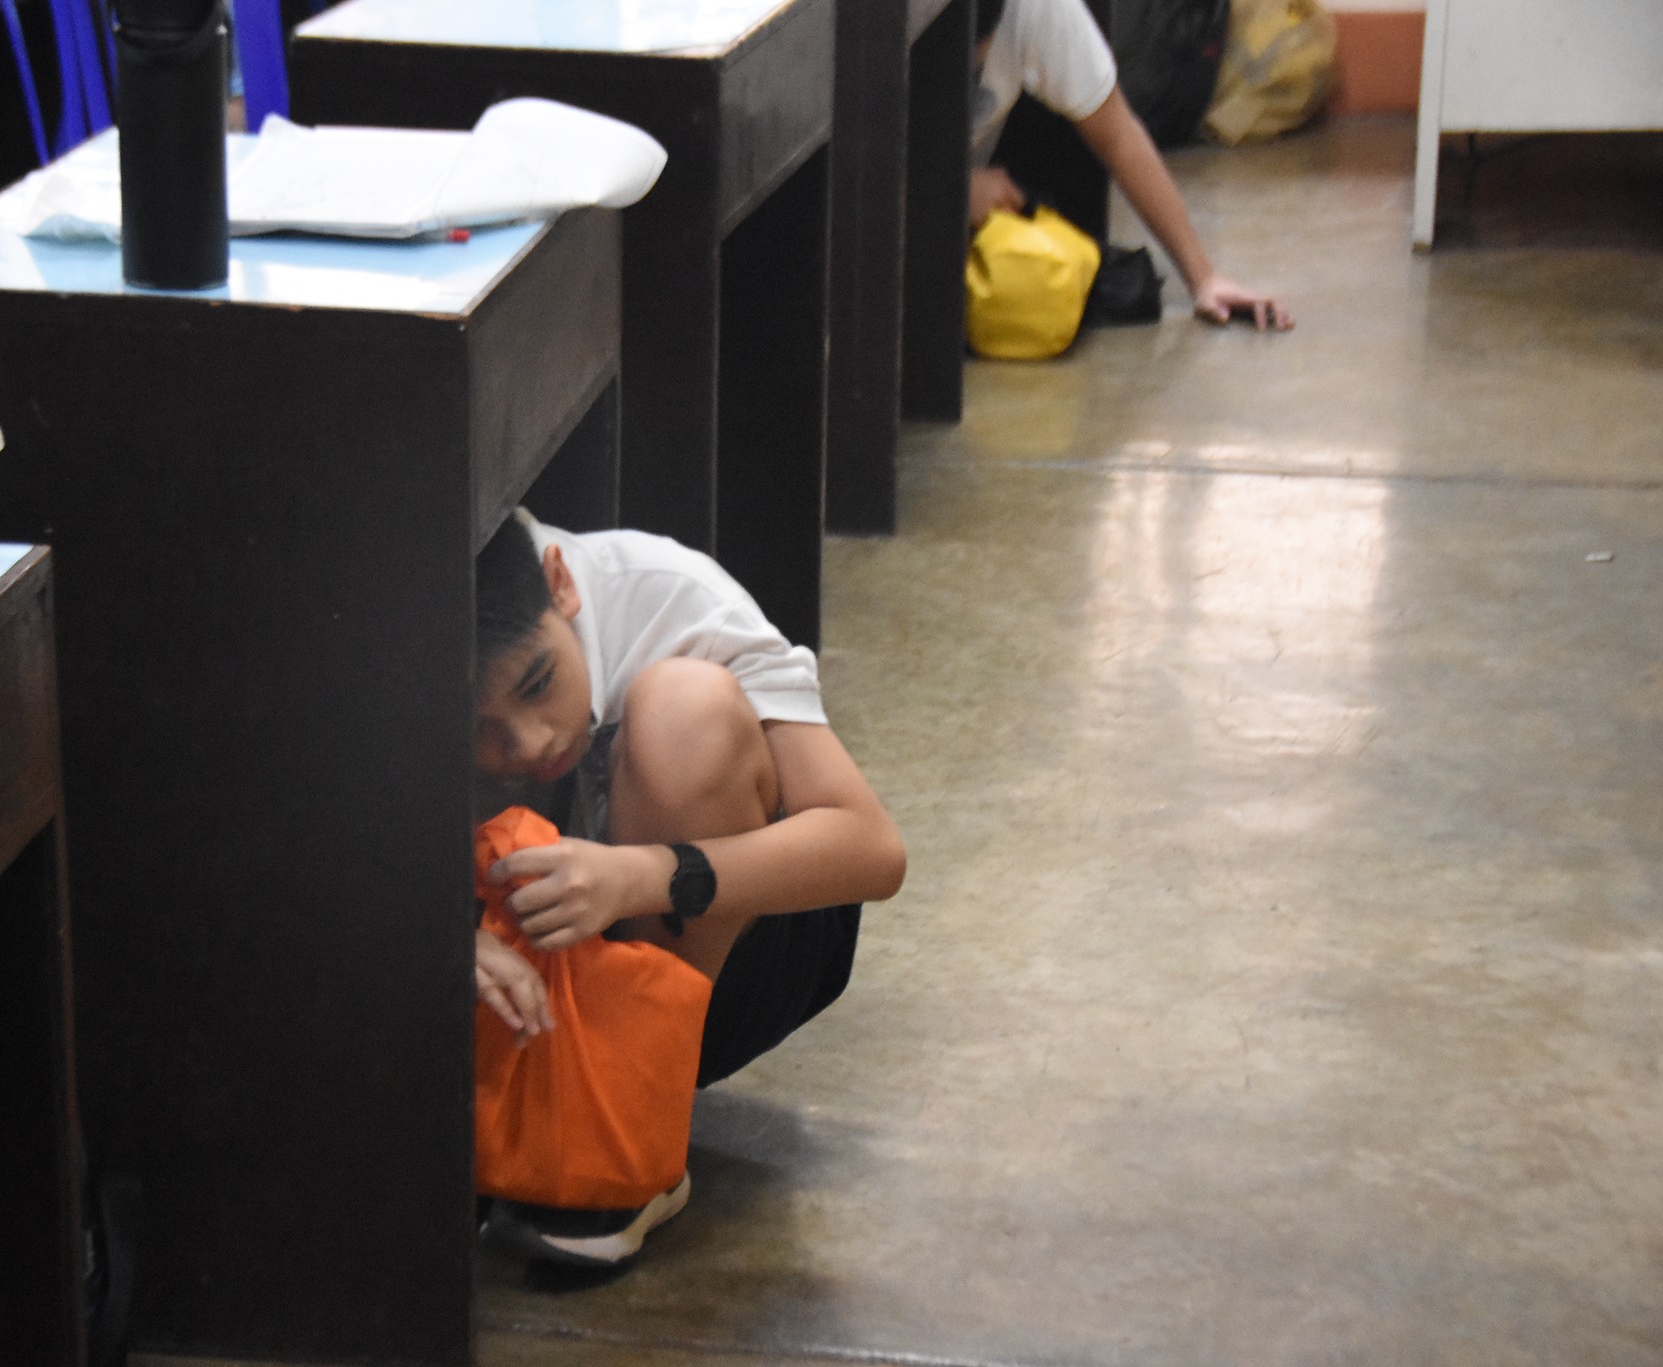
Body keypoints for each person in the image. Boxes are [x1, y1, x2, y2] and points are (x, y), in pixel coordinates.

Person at [470, 510, 906, 1265]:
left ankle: (632, 1137)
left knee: (683, 707)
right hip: (524, 984)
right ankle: (524, 1110)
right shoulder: (389, 648)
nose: (530, 743)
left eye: (539, 684)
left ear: (562, 584)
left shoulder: (669, 595)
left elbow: (872, 848)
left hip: (724, 957)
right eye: (478, 728)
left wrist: (642, 877)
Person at [970, 0, 1294, 330]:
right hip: (923, 205)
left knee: (1114, 290)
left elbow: (1119, 138)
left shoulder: (1039, 9)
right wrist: (952, 191)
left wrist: (1204, 278)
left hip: (956, 201)